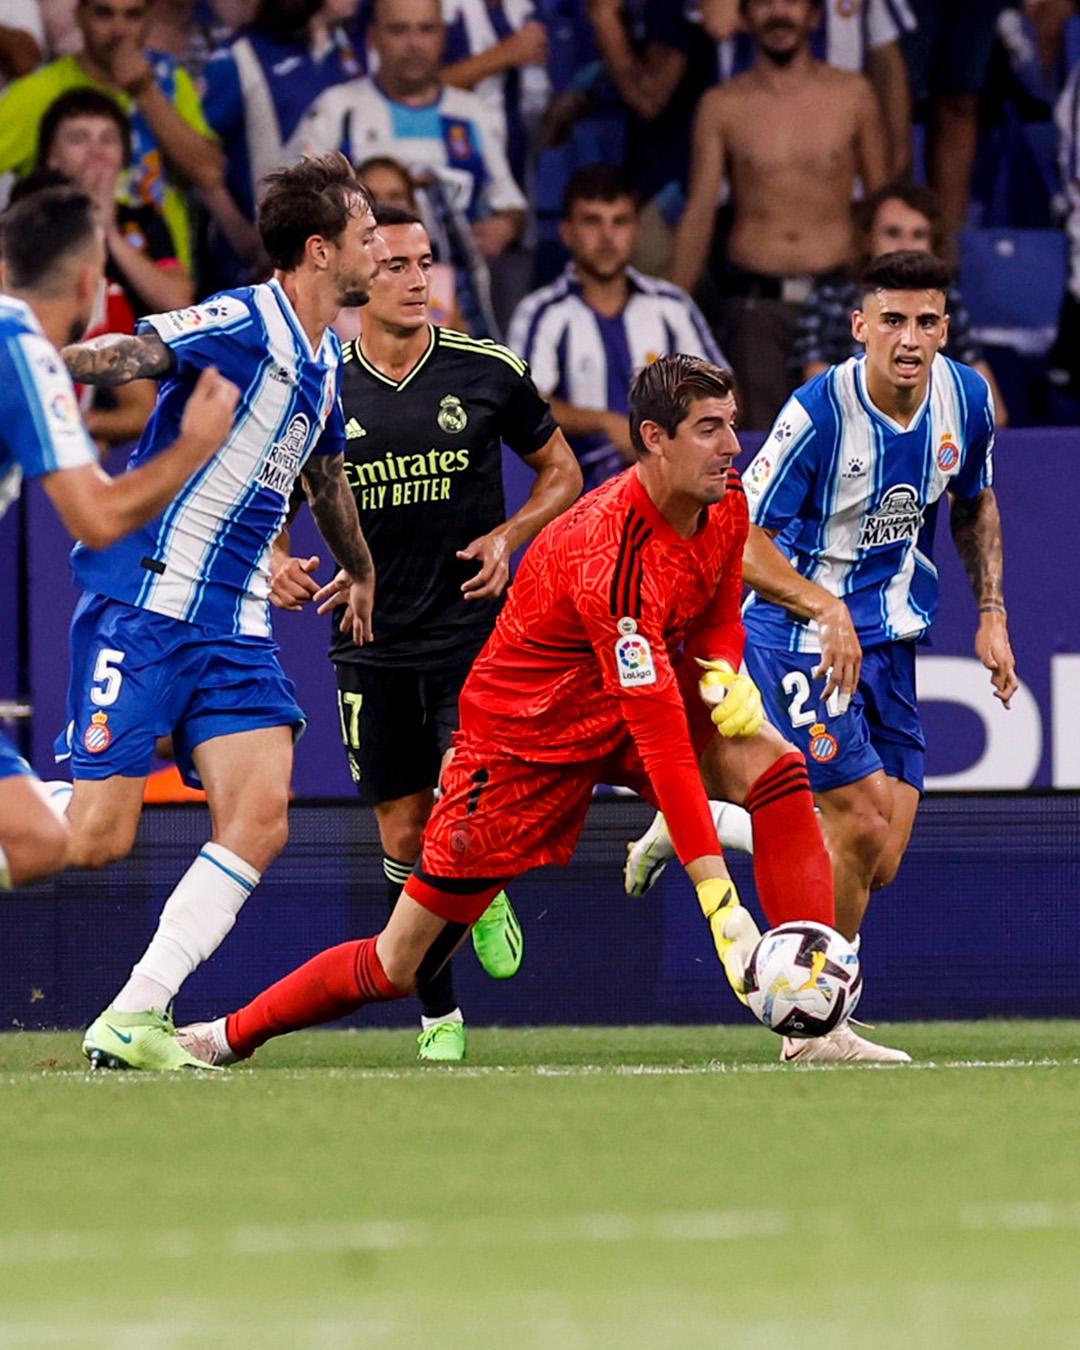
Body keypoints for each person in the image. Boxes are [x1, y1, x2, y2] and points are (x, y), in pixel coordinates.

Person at [174, 355, 839, 1069]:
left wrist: (721, 670)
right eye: (710, 430)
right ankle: (225, 1035)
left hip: (618, 703)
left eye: (732, 425)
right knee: (397, 964)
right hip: (522, 743)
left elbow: (712, 612)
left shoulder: (725, 498)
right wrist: (719, 901)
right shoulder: (607, 552)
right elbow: (665, 745)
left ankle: (815, 1028)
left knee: (777, 769)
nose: (733, 446)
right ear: (653, 437)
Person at [626, 251, 1018, 1063]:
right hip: (798, 633)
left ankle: (701, 823)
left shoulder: (966, 399)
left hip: (894, 635)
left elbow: (976, 502)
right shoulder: (819, 414)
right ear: (859, 326)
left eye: (926, 322)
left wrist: (992, 612)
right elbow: (735, 534)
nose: (909, 339)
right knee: (859, 815)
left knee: (879, 854)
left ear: (945, 328)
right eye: (893, 321)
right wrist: (822, 604)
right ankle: (816, 1026)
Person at [56, 152, 389, 1072]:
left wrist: (358, 570)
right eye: (365, 234)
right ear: (320, 251)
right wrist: (40, 370)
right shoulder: (246, 320)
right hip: (149, 606)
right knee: (96, 837)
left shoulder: (325, 362)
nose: (379, 246)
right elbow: (139, 354)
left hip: (236, 622)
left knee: (262, 814)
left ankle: (133, 1014)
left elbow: (324, 479)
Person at [270, 205, 582, 1060]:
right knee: (405, 839)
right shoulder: (319, 381)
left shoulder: (487, 372)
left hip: (471, 638)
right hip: (367, 642)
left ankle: (480, 882)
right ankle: (439, 1016)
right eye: (397, 264)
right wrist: (275, 562)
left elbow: (561, 469)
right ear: (362, 280)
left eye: (426, 264)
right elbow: (267, 499)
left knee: (461, 805)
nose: (415, 280)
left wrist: (510, 537)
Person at [0, 183, 236, 890]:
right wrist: (194, 447)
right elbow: (96, 519)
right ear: (90, 286)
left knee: (39, 842)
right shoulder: (21, 347)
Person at [670, 0, 887, 430]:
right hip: (756, 308)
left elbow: (880, 207)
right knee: (760, 446)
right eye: (764, 3)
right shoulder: (722, 105)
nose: (778, 13)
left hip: (841, 304)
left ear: (814, 15)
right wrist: (671, 306)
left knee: (855, 442)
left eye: (792, 2)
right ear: (745, 17)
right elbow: (699, 212)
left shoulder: (853, 95)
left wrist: (891, 294)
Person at [290, 0, 527, 336]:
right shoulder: (340, 109)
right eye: (399, 30)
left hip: (453, 300)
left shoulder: (472, 114)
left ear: (443, 37)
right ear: (374, 38)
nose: (414, 43)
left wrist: (504, 225)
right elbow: (297, 205)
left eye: (426, 29)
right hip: (356, 308)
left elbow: (510, 204)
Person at [508, 164, 726, 491]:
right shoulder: (541, 312)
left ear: (636, 229)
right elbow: (521, 406)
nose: (608, 237)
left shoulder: (672, 305)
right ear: (566, 231)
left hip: (670, 491)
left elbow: (723, 391)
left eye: (620, 221)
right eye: (592, 222)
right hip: (576, 499)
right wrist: (605, 423)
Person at [0, 0, 224, 271]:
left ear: (148, 21)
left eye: (133, 15)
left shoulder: (170, 81)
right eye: (104, 13)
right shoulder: (37, 93)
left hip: (163, 282)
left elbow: (210, 174)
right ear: (79, 16)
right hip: (60, 280)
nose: (119, 30)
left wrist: (144, 91)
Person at [794, 181, 1008, 424]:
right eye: (893, 233)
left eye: (918, 235)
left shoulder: (949, 303)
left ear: (933, 246)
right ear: (868, 240)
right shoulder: (830, 298)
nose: (905, 247)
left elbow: (994, 412)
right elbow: (819, 403)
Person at [199, 0, 365, 283]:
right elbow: (196, 155)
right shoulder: (240, 57)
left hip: (343, 258)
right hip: (258, 267)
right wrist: (239, 232)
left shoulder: (359, 54)